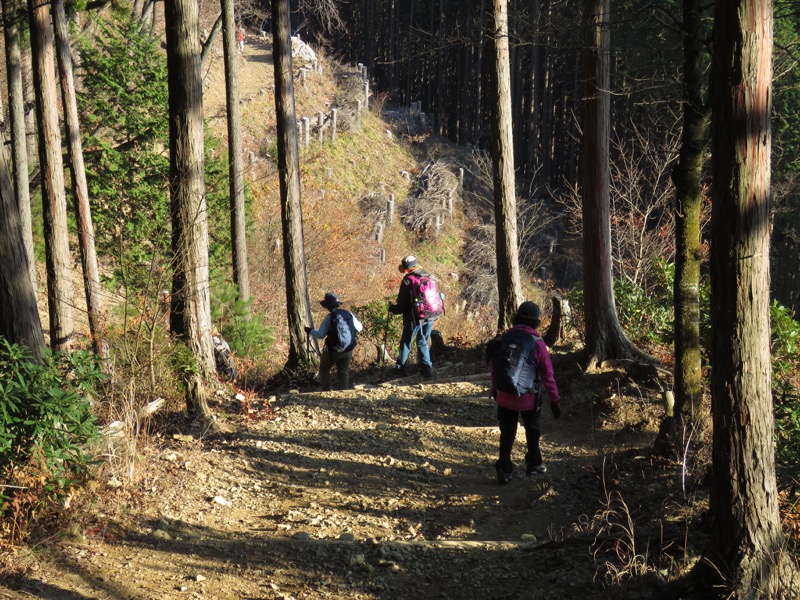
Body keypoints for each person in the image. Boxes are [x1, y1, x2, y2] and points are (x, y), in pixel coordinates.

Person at [487, 301, 561, 485]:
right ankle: (534, 464)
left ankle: (504, 468)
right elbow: (548, 375)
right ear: (536, 321)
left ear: (517, 317)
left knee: (507, 432)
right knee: (532, 428)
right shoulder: (537, 343)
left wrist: (495, 388)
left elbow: (494, 367)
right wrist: (555, 401)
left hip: (504, 395)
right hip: (528, 397)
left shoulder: (505, 338)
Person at [388, 255, 437, 378]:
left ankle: (401, 368)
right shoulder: (428, 275)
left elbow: (402, 303)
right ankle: (426, 368)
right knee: (423, 340)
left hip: (414, 317)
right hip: (430, 314)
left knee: (406, 341)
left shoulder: (408, 280)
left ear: (406, 267)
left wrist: (393, 309)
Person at [305, 292, 363, 391]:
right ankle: (344, 391)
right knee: (343, 371)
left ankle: (326, 390)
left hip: (334, 350)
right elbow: (360, 327)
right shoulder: (348, 314)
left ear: (327, 306)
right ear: (338, 304)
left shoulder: (329, 317)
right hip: (349, 348)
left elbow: (320, 335)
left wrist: (310, 331)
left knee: (324, 368)